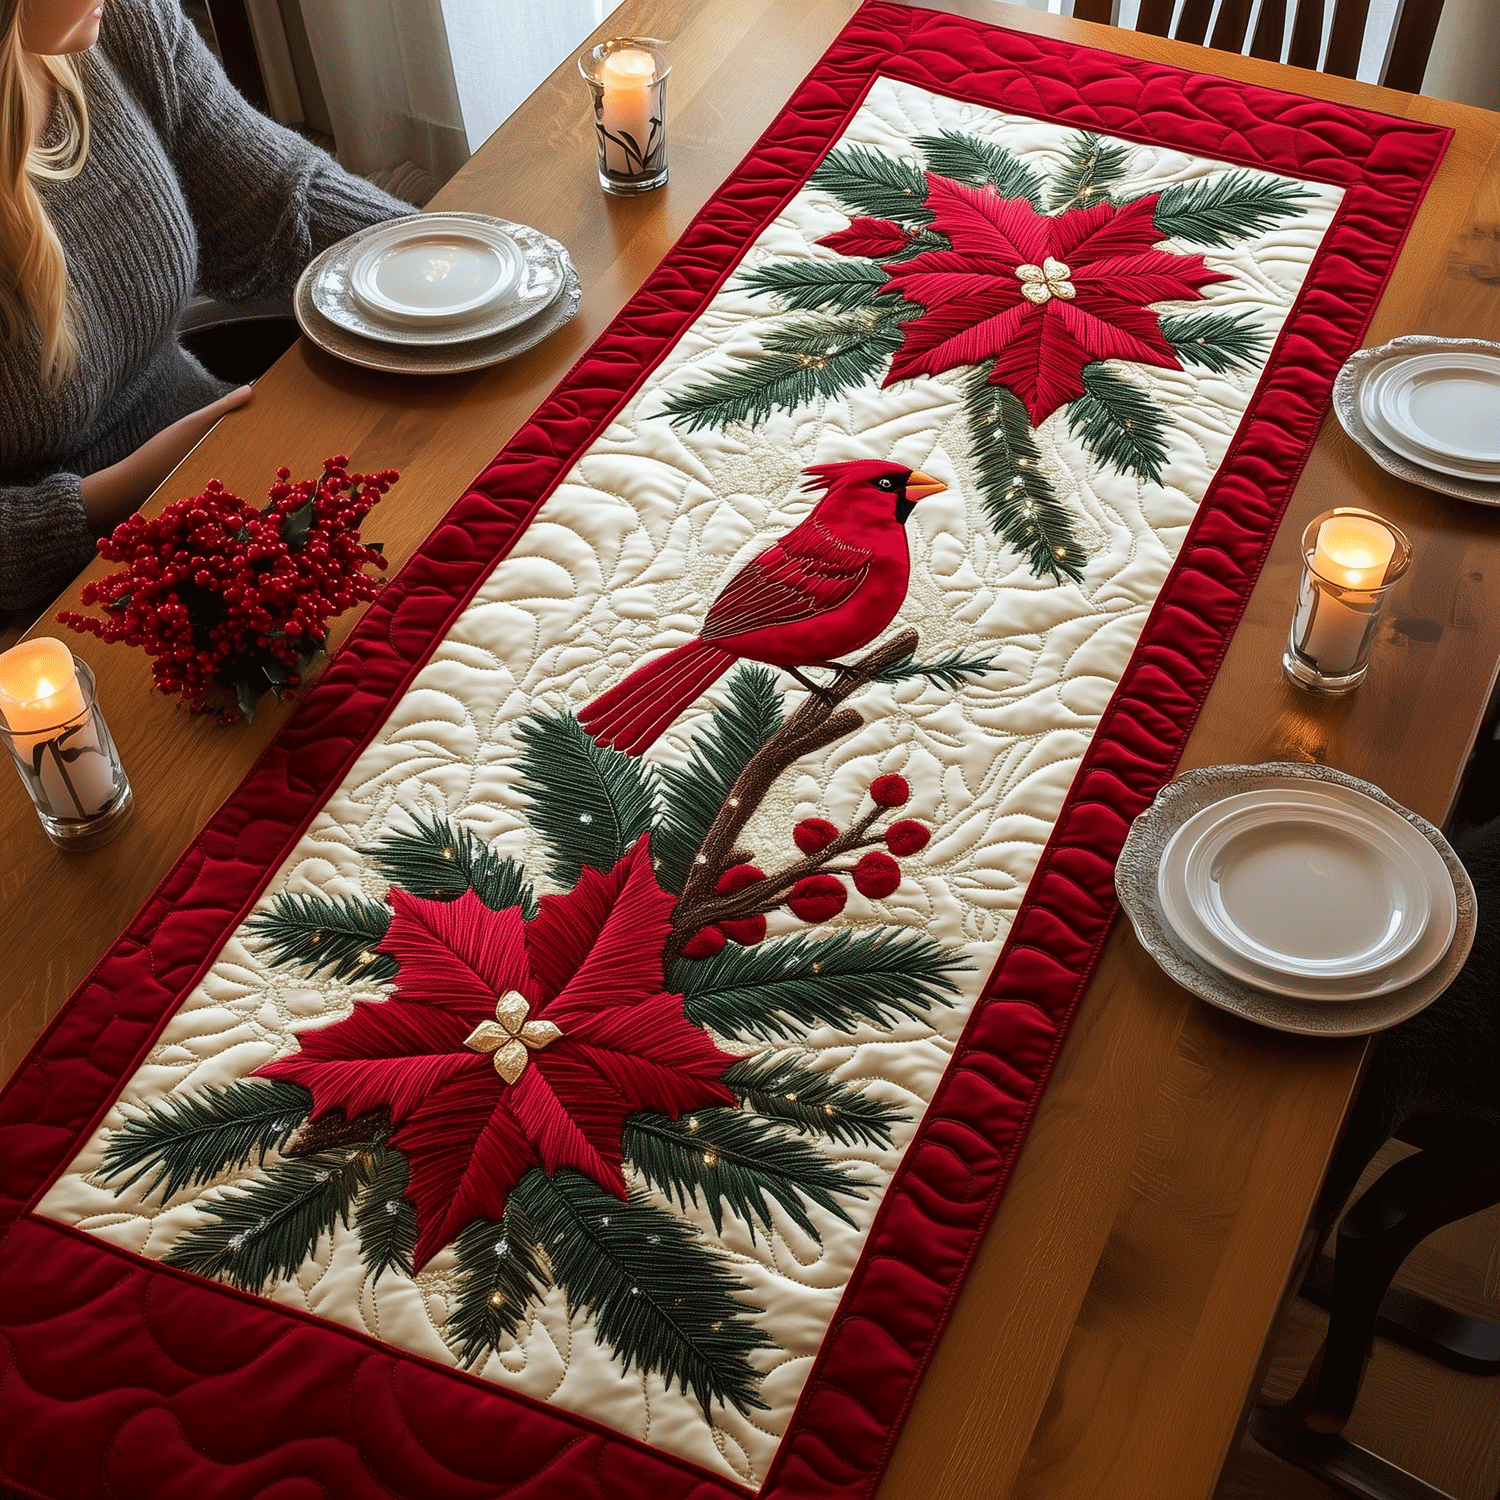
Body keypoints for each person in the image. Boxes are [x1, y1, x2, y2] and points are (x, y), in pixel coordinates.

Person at [0, 0, 414, 613]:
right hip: (61, 608)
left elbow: (282, 205)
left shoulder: (116, 24)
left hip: (231, 469)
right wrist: (124, 488)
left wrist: (466, 261)